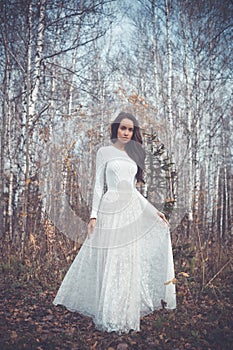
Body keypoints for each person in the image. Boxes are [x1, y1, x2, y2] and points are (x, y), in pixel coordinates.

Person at [53, 112, 176, 334]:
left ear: (133, 132)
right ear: (116, 129)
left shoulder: (134, 155)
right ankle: (108, 313)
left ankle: (124, 316)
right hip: (110, 209)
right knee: (110, 258)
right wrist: (93, 216)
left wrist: (155, 212)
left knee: (127, 261)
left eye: (130, 129)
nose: (126, 133)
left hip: (130, 211)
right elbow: (99, 186)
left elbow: (134, 192)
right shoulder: (104, 153)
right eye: (123, 128)